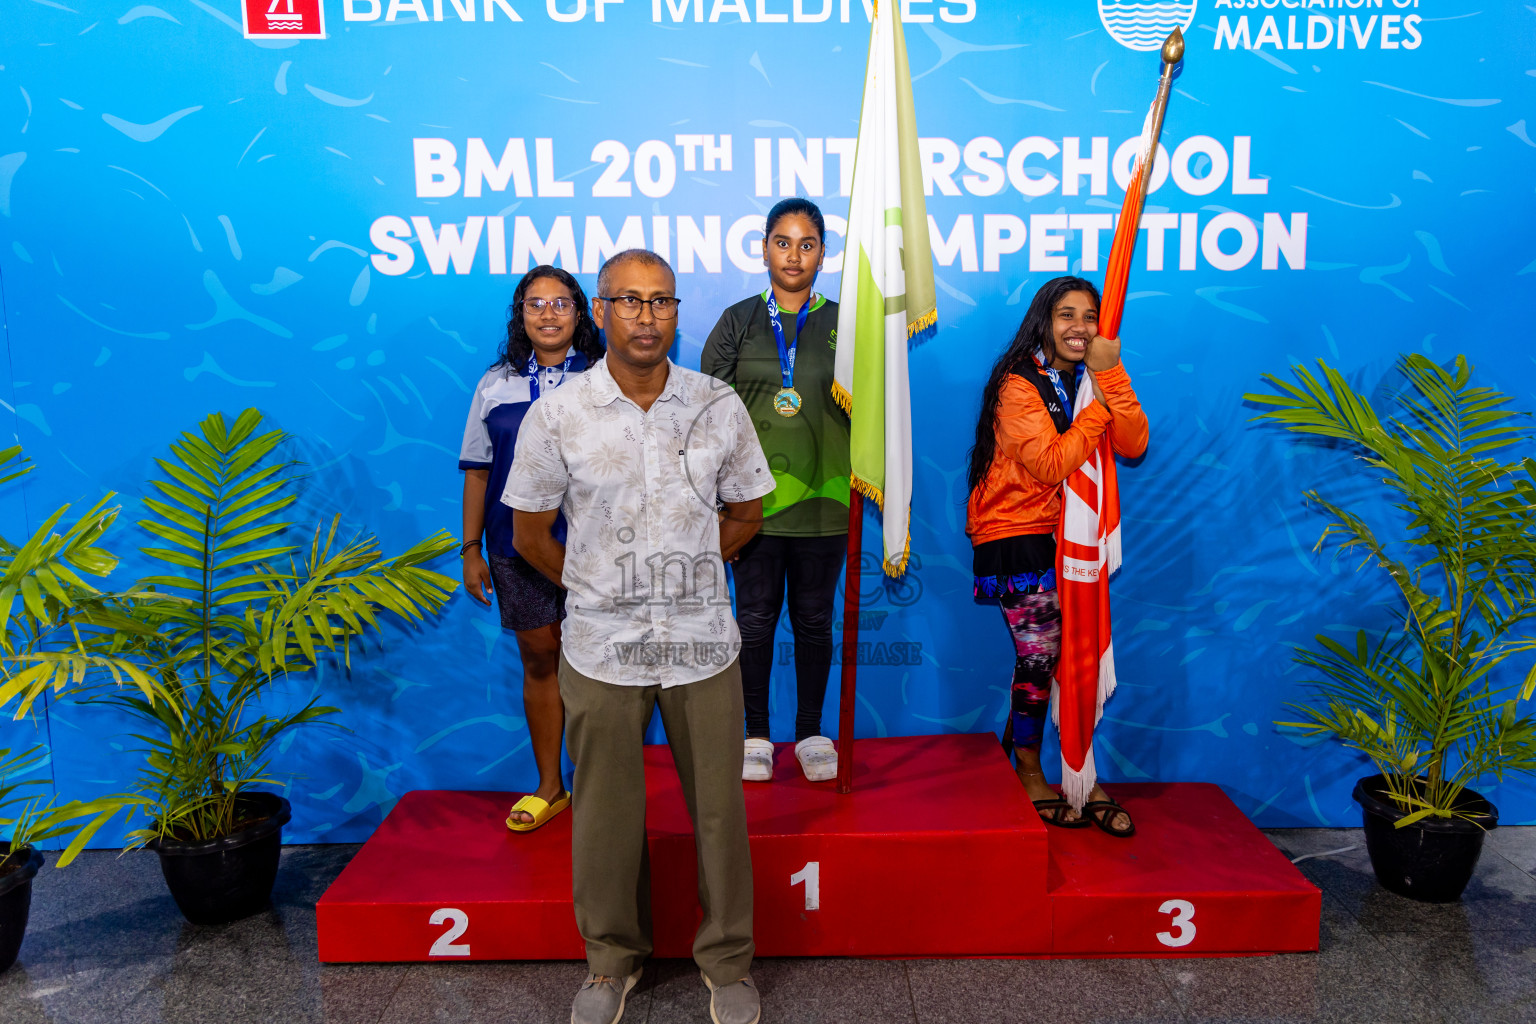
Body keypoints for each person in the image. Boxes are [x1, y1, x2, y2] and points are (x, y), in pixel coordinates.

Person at [506, 249, 774, 1024]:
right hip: (601, 646)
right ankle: (610, 962)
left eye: (661, 302)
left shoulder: (716, 403)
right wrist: (596, 585)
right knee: (605, 816)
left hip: (700, 641)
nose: (647, 317)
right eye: (629, 301)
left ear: (677, 312)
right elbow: (528, 531)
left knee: (719, 813)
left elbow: (749, 511)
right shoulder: (559, 412)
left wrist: (685, 570)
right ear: (602, 309)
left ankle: (727, 963)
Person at [965, 276, 1148, 837]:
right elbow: (1049, 464)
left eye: (1090, 316)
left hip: (1071, 535)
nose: (1079, 327)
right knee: (1043, 655)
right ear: (1044, 321)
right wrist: (1098, 408)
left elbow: (1136, 442)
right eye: (1066, 315)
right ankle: (1026, 766)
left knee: (1073, 657)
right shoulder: (1019, 382)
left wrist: (1109, 376)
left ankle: (1077, 772)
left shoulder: (1092, 380)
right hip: (1015, 530)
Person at [701, 198, 850, 784]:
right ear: (764, 248)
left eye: (806, 243)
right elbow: (706, 416)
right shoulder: (737, 321)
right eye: (782, 242)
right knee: (756, 621)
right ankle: (756, 733)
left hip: (824, 504)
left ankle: (812, 731)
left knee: (815, 622)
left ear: (821, 254)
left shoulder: (847, 324)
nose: (794, 254)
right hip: (752, 508)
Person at [458, 265, 602, 832]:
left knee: (599, 666)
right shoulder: (495, 383)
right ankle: (551, 786)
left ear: (580, 312)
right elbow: (476, 470)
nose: (548, 313)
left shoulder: (603, 377)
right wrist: (471, 549)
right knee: (541, 657)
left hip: (595, 546)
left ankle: (603, 787)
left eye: (560, 303)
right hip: (515, 545)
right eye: (535, 303)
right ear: (520, 314)